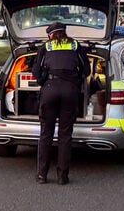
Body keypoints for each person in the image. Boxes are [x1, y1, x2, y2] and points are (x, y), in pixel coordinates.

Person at [31, 21, 88, 185]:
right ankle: (62, 176)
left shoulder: (46, 47)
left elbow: (35, 71)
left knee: (46, 134)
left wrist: (44, 80)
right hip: (70, 91)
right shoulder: (75, 45)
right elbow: (86, 70)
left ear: (51, 35)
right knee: (65, 135)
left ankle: (42, 175)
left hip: (50, 90)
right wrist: (76, 80)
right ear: (64, 32)